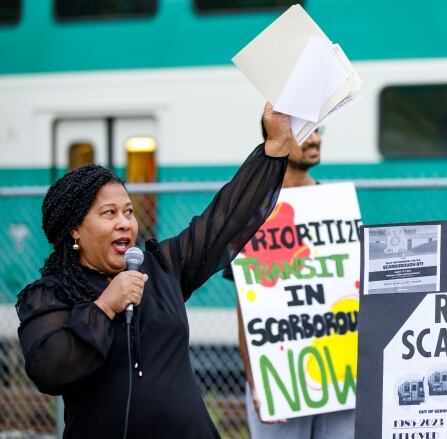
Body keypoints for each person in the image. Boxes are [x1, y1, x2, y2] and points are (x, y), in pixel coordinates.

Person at [15, 103, 294, 438]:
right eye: (109, 213)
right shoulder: (51, 294)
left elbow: (223, 221)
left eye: (129, 212)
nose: (124, 223)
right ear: (74, 229)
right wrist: (105, 306)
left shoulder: (163, 267)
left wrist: (274, 149)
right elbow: (51, 370)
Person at [227, 126, 356, 439]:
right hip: (280, 377)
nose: (315, 139)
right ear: (278, 139)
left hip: (340, 373)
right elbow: (247, 302)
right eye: (304, 132)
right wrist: (255, 377)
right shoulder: (253, 212)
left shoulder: (334, 206)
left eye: (318, 130)